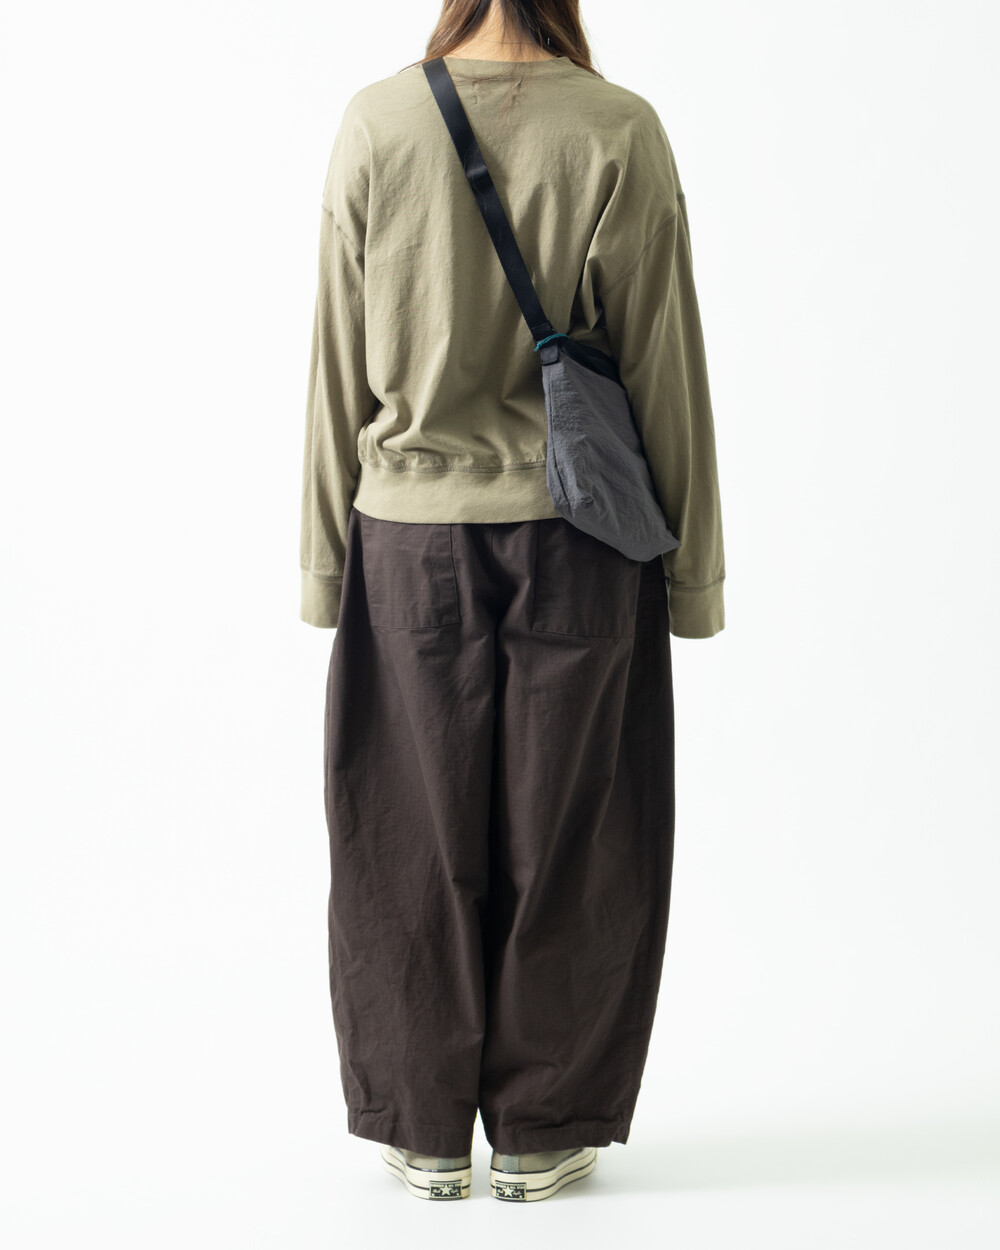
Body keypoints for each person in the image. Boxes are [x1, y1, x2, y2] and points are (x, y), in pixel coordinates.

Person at [298, 0, 726, 1203]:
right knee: (578, 834)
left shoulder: (378, 122)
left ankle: (425, 1125)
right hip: (580, 538)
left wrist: (323, 558)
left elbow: (336, 361)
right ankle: (541, 1127)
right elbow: (665, 368)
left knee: (405, 834)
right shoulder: (617, 129)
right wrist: (693, 573)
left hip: (406, 539)